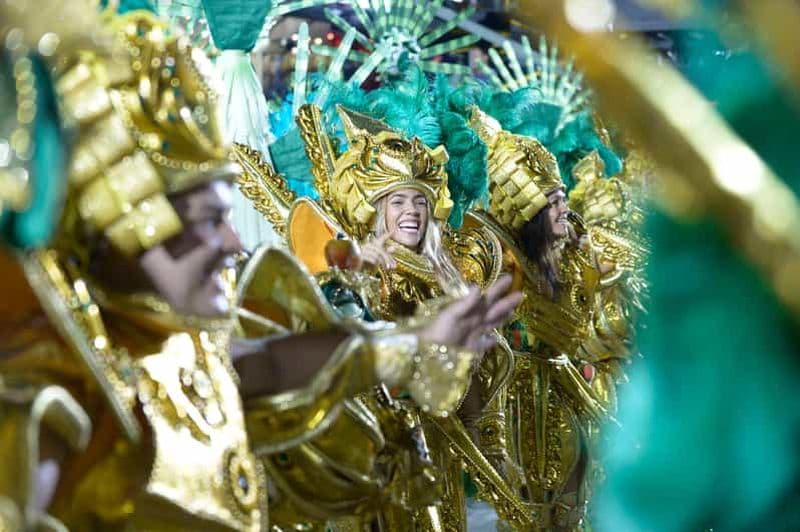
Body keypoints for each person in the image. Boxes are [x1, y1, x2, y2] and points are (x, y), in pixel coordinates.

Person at [0, 10, 521, 531]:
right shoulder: (50, 402)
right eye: (206, 221)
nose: (232, 242)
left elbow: (262, 365)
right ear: (119, 230)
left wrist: (414, 342)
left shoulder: (180, 342)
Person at [466, 107, 642, 531]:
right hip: (521, 401)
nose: (565, 208)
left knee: (577, 502)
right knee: (533, 510)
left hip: (568, 391)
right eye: (553, 202)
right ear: (528, 212)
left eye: (564, 197)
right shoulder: (498, 261)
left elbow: (589, 319)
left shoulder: (570, 256)